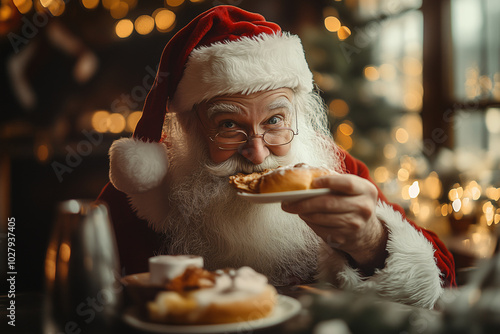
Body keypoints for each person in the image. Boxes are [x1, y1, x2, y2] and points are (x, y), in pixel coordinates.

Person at [98, 5, 455, 309]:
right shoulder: (136, 198)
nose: (256, 153)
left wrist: (372, 242)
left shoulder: (336, 173)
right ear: (189, 129)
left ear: (296, 115)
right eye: (228, 125)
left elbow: (444, 285)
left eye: (274, 120)